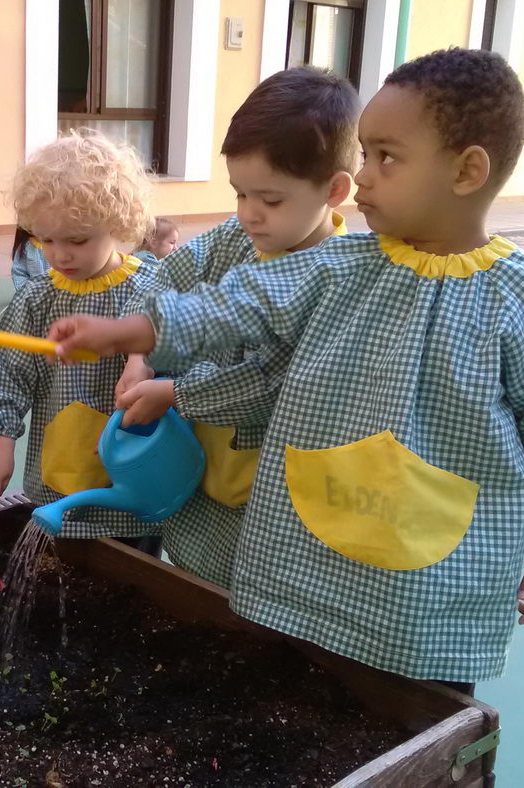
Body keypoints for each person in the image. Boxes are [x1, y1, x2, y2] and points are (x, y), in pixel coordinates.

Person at [49, 49, 524, 690]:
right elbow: (240, 302)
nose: (361, 176)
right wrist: (127, 332)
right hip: (317, 544)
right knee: (298, 681)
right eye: (363, 153)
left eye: (386, 157)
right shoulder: (344, 263)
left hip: (434, 573)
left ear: (467, 171)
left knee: (413, 696)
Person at [113, 67, 358, 587]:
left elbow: (274, 383)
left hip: (277, 494)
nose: (249, 214)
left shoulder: (341, 276)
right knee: (195, 586)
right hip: (205, 475)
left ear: (334, 190)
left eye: (270, 200)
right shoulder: (233, 240)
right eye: (239, 193)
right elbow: (159, 281)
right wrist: (141, 356)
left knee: (259, 603)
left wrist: (175, 392)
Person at [0, 129, 157, 547]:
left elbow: (181, 352)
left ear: (118, 221)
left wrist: (141, 356)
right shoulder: (37, 300)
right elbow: (6, 376)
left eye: (76, 240)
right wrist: (0, 442)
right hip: (57, 483)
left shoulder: (151, 288)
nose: (59, 255)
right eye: (46, 240)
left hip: (133, 488)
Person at [10, 226, 49, 291]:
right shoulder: (27, 247)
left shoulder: (60, 245)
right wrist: (27, 291)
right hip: (33, 293)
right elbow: (18, 273)